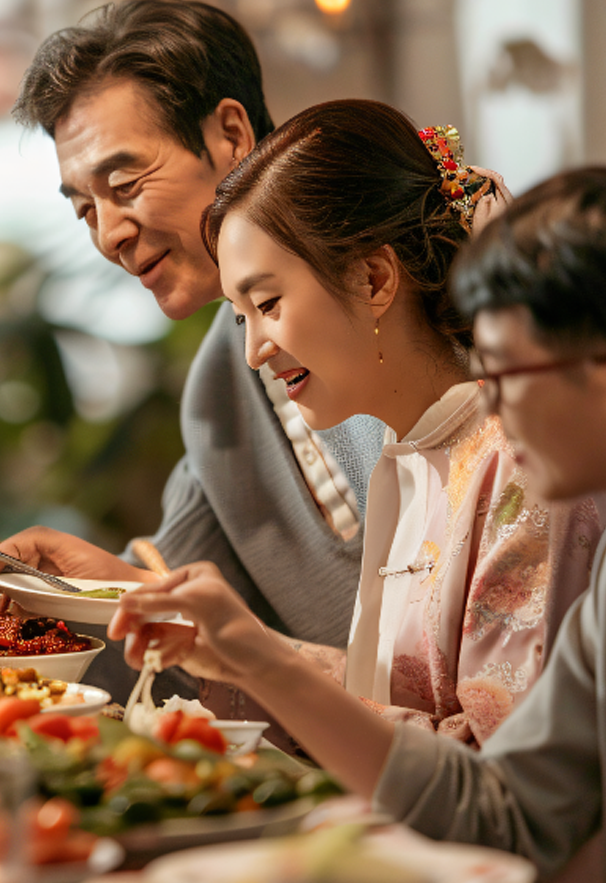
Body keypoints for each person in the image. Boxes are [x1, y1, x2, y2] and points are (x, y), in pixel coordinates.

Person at [110, 166, 606, 879]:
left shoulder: (517, 470)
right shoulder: (409, 462)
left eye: (268, 303)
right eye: (241, 317)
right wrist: (256, 662)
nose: (252, 353)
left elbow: (498, 792)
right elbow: (502, 799)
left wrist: (269, 664)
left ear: (376, 280)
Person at [2, 0, 391, 702]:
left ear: (231, 134)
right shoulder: (220, 383)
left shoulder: (402, 304)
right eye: (85, 208)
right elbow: (173, 598)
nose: (108, 235)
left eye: (125, 185)